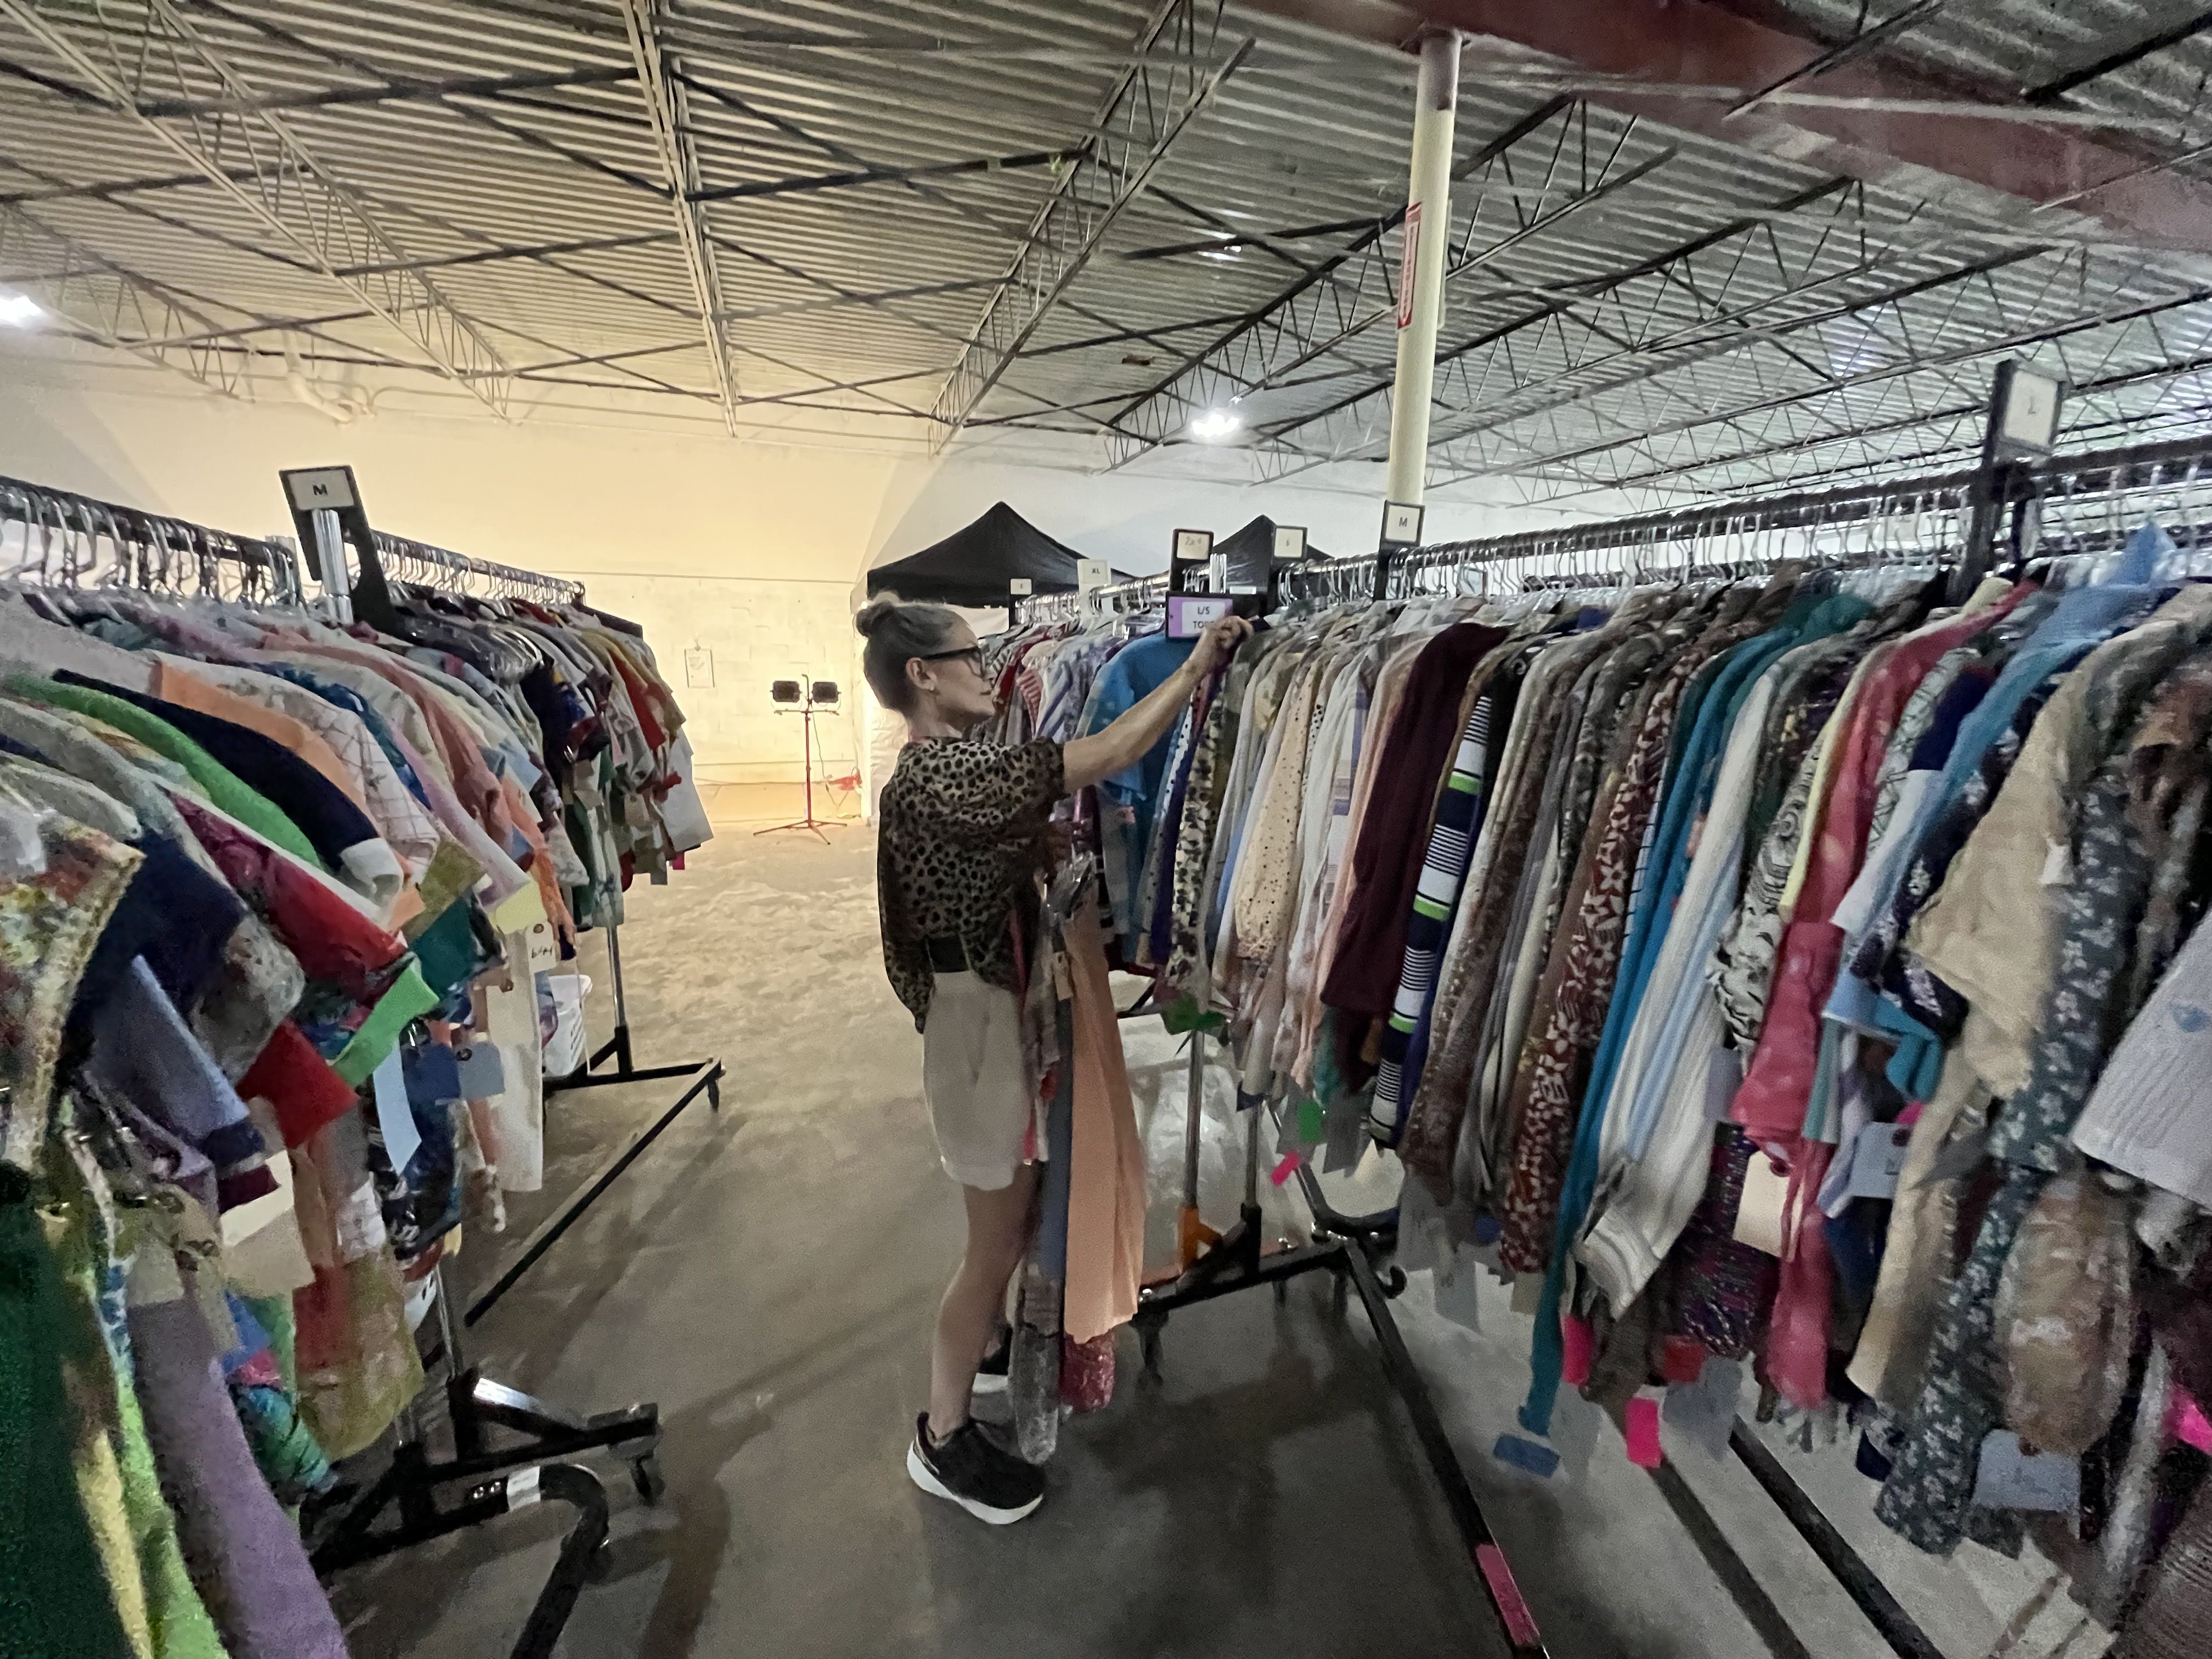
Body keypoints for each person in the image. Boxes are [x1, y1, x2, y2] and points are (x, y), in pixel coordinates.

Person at [856, 592, 1250, 1525]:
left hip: (991, 1012)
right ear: (923, 675)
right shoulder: (938, 777)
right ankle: (941, 1437)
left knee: (1018, 1211)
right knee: (991, 1246)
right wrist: (1196, 673)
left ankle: (987, 1364)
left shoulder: (953, 769)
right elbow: (1109, 754)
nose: (985, 668)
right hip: (977, 1025)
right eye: (968, 655)